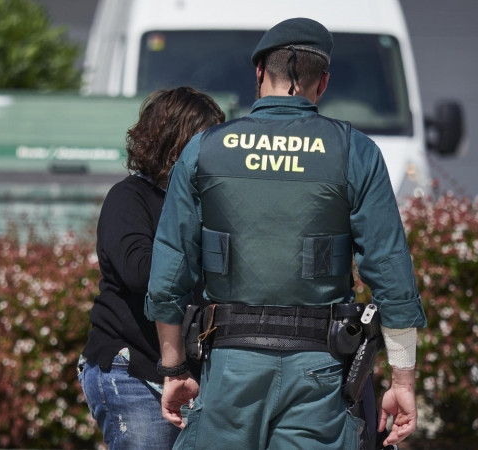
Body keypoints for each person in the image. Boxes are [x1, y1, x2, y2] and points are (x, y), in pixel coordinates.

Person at [145, 18, 427, 450]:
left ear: (258, 71)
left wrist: (173, 369)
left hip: (230, 368)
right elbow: (391, 273)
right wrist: (402, 380)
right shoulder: (356, 151)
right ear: (324, 81)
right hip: (320, 373)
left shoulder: (204, 148)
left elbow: (169, 272)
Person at [78, 87, 225, 450]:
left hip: (187, 375)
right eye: (206, 140)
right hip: (132, 371)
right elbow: (140, 271)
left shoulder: (210, 202)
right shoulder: (128, 197)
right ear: (174, 141)